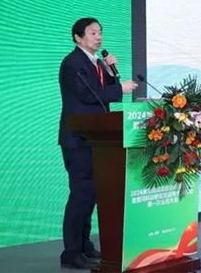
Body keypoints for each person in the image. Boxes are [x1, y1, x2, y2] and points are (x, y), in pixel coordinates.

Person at [58, 18, 137, 269]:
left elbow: (103, 94)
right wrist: (120, 89)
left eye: (100, 32)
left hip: (96, 138)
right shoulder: (73, 63)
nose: (98, 37)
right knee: (81, 194)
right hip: (78, 139)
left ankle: (84, 246)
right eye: (93, 33)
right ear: (77, 37)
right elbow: (87, 94)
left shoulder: (97, 63)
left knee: (91, 194)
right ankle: (71, 252)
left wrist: (112, 73)